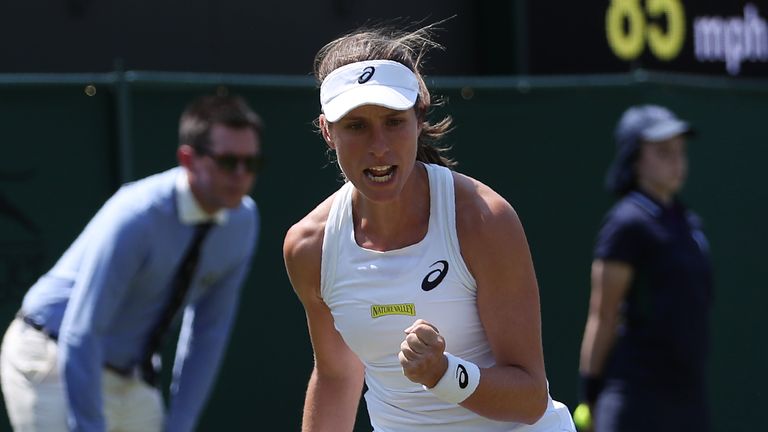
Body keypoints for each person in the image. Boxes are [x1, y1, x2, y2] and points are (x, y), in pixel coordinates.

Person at [282, 24, 575, 432]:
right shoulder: (308, 246)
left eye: (393, 121)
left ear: (419, 118)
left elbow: (529, 400)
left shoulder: (482, 219)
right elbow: (337, 376)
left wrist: (444, 374)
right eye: (356, 125)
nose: (379, 146)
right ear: (328, 132)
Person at [0, 94, 263, 432]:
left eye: (251, 163)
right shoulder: (137, 215)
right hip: (50, 356)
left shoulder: (244, 222)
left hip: (129, 374)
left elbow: (208, 333)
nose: (241, 174)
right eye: (228, 162)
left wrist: (180, 424)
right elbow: (82, 330)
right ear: (188, 159)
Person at [577, 105, 713, 431]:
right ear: (635, 159)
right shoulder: (626, 224)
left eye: (680, 152)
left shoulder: (688, 223)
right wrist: (589, 394)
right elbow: (603, 314)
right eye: (663, 152)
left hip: (688, 396)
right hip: (636, 395)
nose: (677, 161)